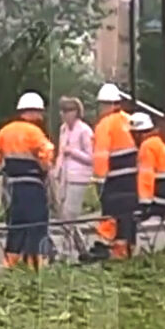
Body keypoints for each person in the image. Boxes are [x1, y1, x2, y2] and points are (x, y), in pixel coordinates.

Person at [0, 91, 55, 269]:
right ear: (32, 111)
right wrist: (45, 167)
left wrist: (2, 168)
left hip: (13, 187)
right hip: (33, 186)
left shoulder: (6, 131)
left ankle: (10, 264)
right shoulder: (35, 132)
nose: (41, 116)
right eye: (39, 112)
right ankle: (35, 265)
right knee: (36, 224)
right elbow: (47, 152)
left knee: (16, 226)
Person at [81, 83, 137, 262]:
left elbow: (101, 155)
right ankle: (128, 250)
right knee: (128, 217)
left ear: (105, 105)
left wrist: (99, 180)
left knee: (112, 215)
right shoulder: (129, 120)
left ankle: (113, 252)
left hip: (114, 180)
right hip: (133, 178)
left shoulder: (104, 125)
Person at [53, 96, 93, 255]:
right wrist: (56, 171)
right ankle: (83, 249)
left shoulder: (84, 130)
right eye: (62, 111)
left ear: (76, 112)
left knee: (69, 215)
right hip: (64, 176)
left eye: (68, 110)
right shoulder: (63, 129)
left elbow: (91, 157)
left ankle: (64, 251)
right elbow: (61, 153)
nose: (64, 114)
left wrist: (73, 152)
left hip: (78, 177)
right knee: (64, 214)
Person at [130, 112, 165, 222]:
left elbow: (146, 178)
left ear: (138, 133)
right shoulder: (156, 142)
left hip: (158, 200)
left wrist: (144, 205)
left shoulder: (147, 147)